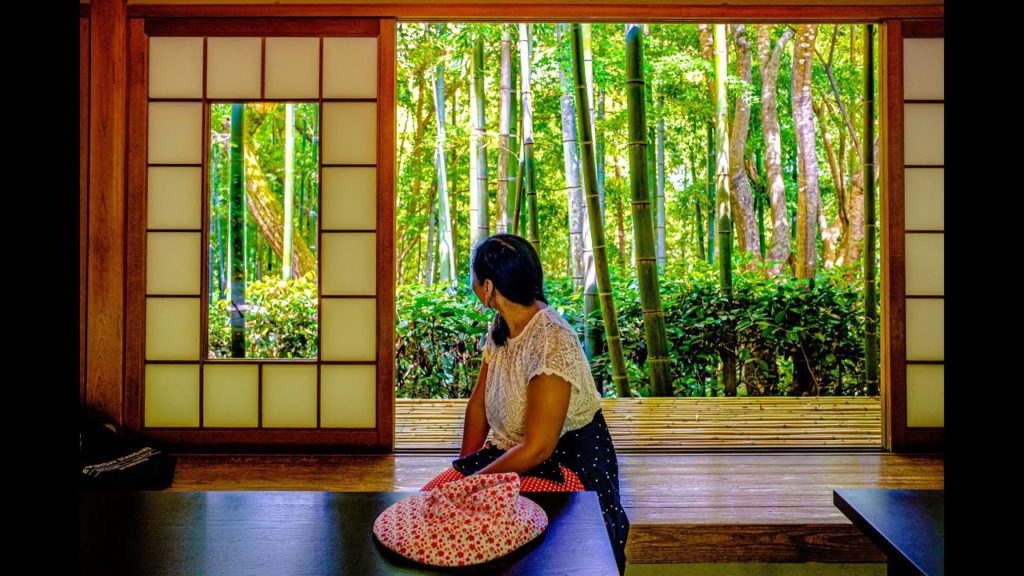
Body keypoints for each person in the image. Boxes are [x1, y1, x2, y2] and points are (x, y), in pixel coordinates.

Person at [421, 233, 629, 573]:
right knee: (428, 506)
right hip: (511, 455)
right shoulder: (502, 327)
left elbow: (538, 448)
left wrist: (474, 484)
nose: (472, 284)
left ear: (488, 287)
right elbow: (478, 407)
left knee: (491, 532)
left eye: (473, 277)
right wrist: (464, 470)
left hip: (564, 466)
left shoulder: (551, 339)